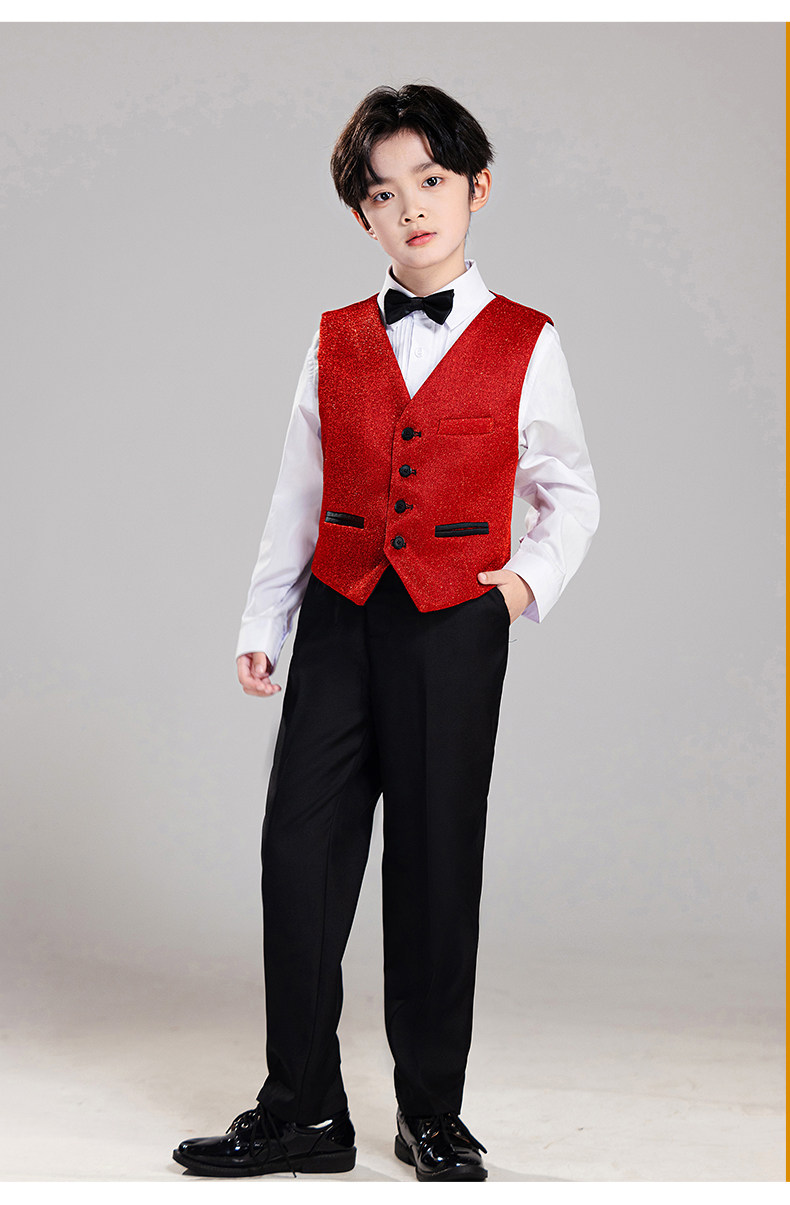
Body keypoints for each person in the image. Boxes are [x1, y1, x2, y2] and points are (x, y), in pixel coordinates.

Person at [173, 82, 599, 1183]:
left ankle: (431, 1112)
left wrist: (520, 587)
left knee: (434, 861)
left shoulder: (527, 340)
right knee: (297, 853)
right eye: (381, 192)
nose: (410, 207)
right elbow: (298, 493)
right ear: (361, 214)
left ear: (476, 188)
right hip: (339, 614)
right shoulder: (333, 340)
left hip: (453, 625)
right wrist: (264, 619)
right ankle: (304, 1109)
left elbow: (570, 491)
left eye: (431, 180)